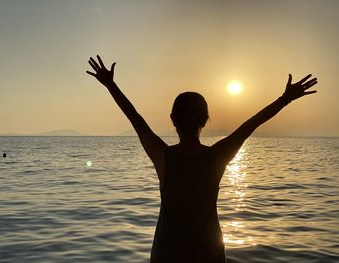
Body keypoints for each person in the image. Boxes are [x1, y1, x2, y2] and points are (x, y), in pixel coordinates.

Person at [86, 55, 317, 263]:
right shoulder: (216, 156)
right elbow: (251, 124)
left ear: (172, 120)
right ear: (205, 120)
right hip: (209, 255)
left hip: (167, 256)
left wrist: (110, 85)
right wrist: (285, 99)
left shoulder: (162, 156)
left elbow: (134, 117)